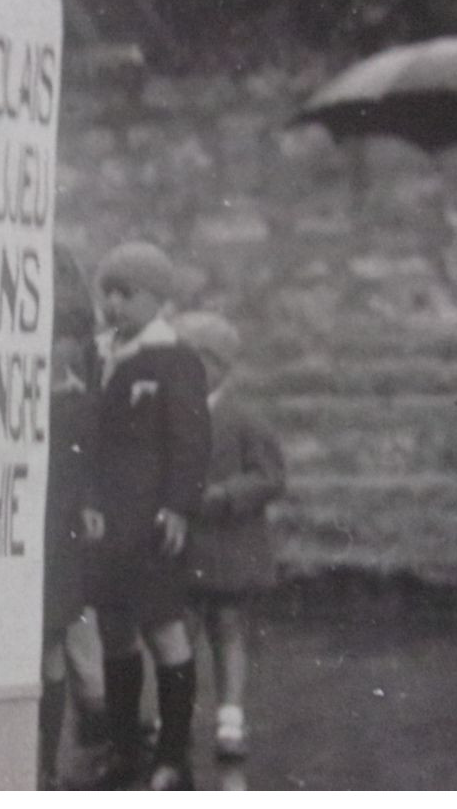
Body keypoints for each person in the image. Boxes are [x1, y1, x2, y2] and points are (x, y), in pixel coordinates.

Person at [81, 241, 211, 790]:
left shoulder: (174, 359)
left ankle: (173, 757)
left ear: (157, 299)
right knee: (115, 632)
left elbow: (190, 441)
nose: (114, 305)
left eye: (126, 294)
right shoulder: (101, 357)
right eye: (107, 293)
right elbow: (85, 440)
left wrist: (179, 506)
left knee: (164, 630)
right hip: (107, 522)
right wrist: (86, 499)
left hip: (152, 521)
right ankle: (124, 747)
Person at [171, 310, 285, 763]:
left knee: (229, 628)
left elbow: (271, 477)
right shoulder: (173, 415)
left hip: (230, 545)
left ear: (217, 365)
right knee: (180, 631)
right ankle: (172, 717)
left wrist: (224, 494)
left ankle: (231, 716)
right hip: (182, 545)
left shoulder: (245, 420)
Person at [38, 249, 106, 789]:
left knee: (59, 632)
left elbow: (86, 453)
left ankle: (53, 757)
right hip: (46, 516)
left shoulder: (78, 401)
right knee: (56, 634)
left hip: (59, 521)